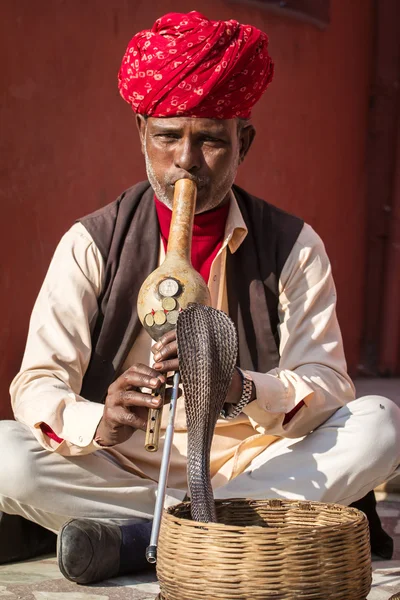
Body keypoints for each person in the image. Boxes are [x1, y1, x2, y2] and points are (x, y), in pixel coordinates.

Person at [1, 10, 399, 585]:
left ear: (246, 141)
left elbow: (329, 382)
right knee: (8, 456)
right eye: (167, 137)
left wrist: (243, 389)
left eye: (211, 139)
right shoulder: (91, 241)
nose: (186, 160)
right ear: (141, 133)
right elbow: (36, 383)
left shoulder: (292, 245)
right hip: (124, 466)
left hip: (253, 463)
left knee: (379, 426)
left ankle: (140, 539)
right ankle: (208, 530)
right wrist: (101, 423)